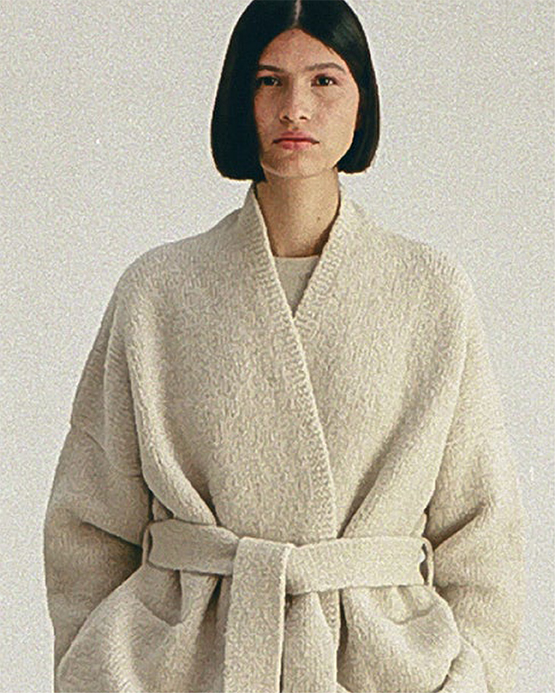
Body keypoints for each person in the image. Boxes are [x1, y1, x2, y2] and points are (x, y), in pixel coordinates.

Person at [43, 1, 526, 692]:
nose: (294, 107)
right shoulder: (157, 290)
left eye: (324, 80)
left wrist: (472, 674)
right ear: (238, 101)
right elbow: (88, 520)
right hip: (177, 670)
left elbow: (480, 528)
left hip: (385, 670)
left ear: (362, 101)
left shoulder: (430, 289)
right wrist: (92, 666)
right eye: (268, 81)